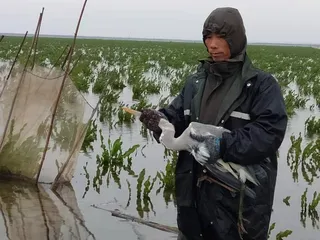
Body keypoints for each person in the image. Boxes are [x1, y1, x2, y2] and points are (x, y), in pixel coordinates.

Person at [139, 7, 288, 240]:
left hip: (238, 209)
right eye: (208, 37)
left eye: (220, 37)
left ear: (236, 38)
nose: (213, 45)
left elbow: (269, 134)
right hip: (192, 204)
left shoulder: (261, 85)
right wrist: (160, 122)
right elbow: (176, 118)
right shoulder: (195, 82)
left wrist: (223, 144)